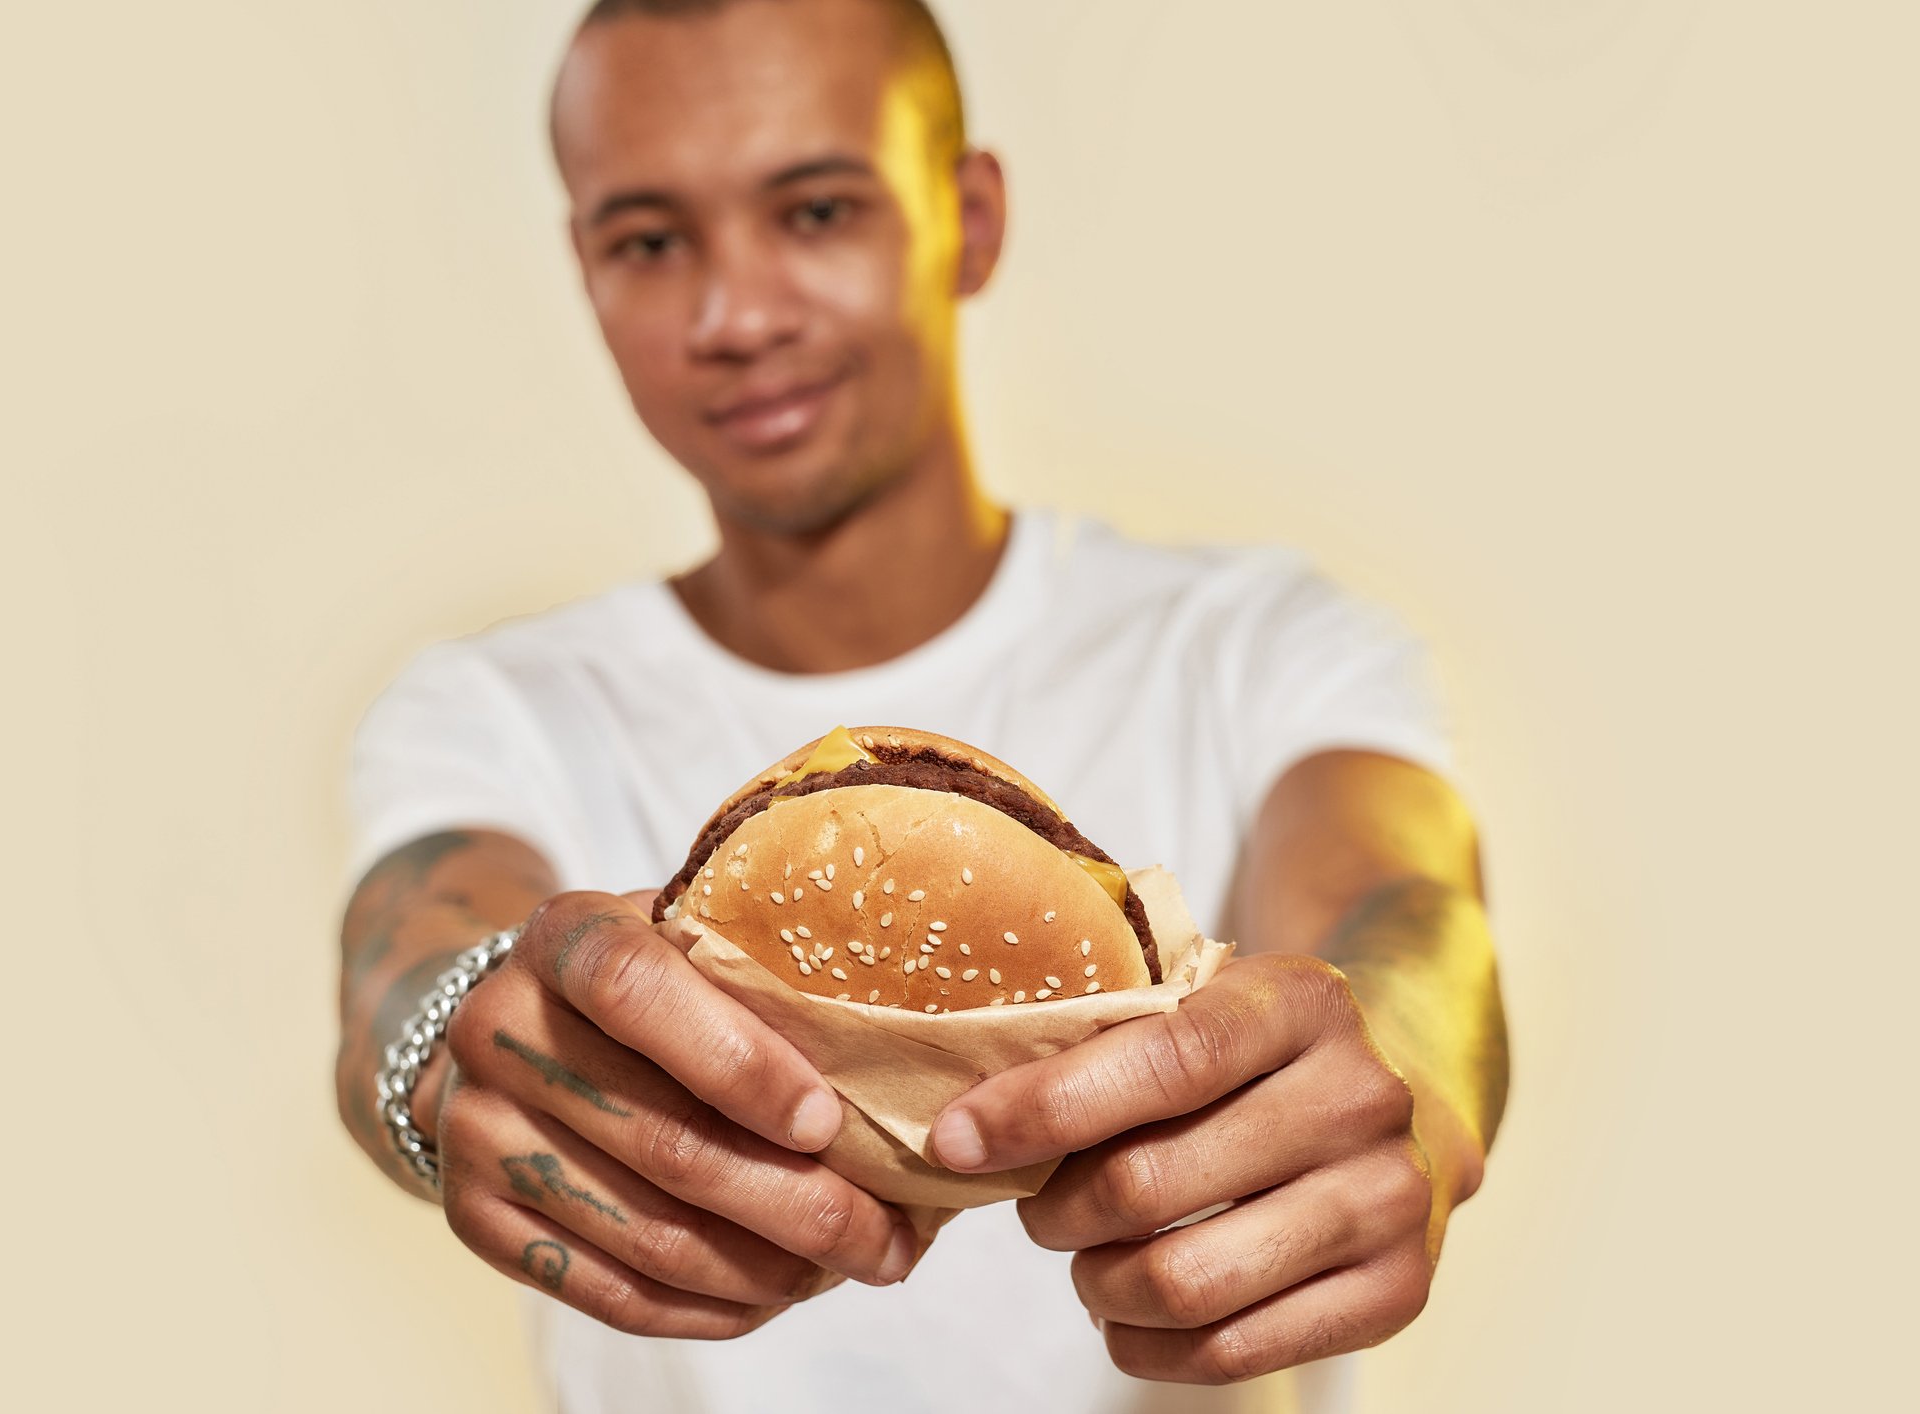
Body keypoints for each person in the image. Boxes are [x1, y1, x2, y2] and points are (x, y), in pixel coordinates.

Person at [332, 1, 1510, 1409]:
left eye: (816, 210)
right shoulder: (494, 706)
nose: (738, 315)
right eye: (651, 240)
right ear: (584, 268)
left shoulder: (1259, 643)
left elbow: (1410, 903)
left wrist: (1411, 1075)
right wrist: (458, 1047)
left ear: (973, 217)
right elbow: (405, 961)